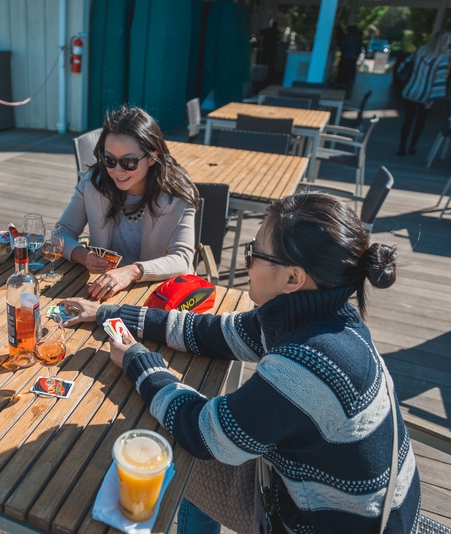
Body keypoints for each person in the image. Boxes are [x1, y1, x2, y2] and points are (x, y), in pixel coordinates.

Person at [61, 192, 420, 533]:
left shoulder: (308, 364)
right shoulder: (323, 314)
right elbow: (211, 332)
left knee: (170, 449)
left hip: (321, 522)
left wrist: (137, 361)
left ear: (293, 277)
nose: (246, 261)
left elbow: (204, 433)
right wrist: (108, 313)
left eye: (254, 253)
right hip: (352, 500)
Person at [57, 105, 198, 301]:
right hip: (103, 291)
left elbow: (182, 259)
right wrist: (84, 256)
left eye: (129, 162)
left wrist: (133, 271)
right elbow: (62, 232)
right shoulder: (93, 182)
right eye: (109, 160)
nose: (117, 171)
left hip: (157, 295)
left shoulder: (177, 193)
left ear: (153, 156)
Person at [396, 30, 451, 156]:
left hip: (411, 91)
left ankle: (401, 147)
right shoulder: (442, 57)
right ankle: (413, 146)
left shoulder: (420, 50)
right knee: (420, 122)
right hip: (426, 95)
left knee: (408, 121)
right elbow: (439, 79)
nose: (449, 43)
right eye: (448, 40)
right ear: (443, 42)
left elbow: (404, 65)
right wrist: (433, 98)